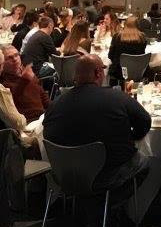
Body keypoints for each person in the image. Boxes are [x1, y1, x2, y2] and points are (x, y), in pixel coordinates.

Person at [43, 54, 150, 189]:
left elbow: (47, 133)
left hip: (66, 175)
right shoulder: (117, 97)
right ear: (98, 73)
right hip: (108, 175)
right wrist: (132, 137)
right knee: (144, 161)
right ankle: (113, 204)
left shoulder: (55, 104)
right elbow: (145, 121)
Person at [0, 45, 50, 122]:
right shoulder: (2, 81)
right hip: (28, 122)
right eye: (9, 58)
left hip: (44, 117)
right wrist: (24, 80)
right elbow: (11, 100)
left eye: (16, 55)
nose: (15, 59)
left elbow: (42, 95)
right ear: (2, 63)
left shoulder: (26, 72)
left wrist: (53, 109)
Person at [107, 16, 147, 85]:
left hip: (118, 71)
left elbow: (110, 56)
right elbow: (141, 56)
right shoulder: (142, 38)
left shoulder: (117, 36)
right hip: (137, 71)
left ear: (125, 25)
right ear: (138, 26)